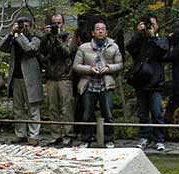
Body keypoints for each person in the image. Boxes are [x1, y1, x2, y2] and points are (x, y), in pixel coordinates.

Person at [73, 19, 123, 148]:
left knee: (108, 113)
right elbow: (76, 66)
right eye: (97, 29)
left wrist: (109, 68)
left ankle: (109, 139)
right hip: (88, 83)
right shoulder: (84, 47)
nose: (100, 31)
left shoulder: (114, 46)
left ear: (106, 32)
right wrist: (89, 69)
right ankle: (86, 139)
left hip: (106, 83)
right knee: (87, 113)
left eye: (103, 29)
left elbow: (120, 64)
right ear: (93, 33)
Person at [127, 15, 169, 151]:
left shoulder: (161, 39)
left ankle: (159, 139)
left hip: (155, 82)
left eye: (152, 24)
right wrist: (138, 34)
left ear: (157, 25)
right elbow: (130, 48)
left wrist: (152, 37)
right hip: (141, 81)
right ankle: (144, 137)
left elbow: (162, 51)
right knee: (143, 113)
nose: (150, 26)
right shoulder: (140, 41)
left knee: (157, 112)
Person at [0, 16, 43, 144]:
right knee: (18, 108)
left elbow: (29, 48)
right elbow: (2, 47)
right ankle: (20, 133)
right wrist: (11, 34)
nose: (24, 28)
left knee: (32, 108)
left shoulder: (36, 38)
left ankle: (33, 136)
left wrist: (20, 36)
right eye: (21, 25)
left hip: (30, 79)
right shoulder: (15, 37)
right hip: (16, 77)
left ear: (30, 26)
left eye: (26, 25)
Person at [40, 13, 76, 145]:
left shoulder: (69, 36)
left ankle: (68, 133)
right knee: (52, 107)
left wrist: (57, 38)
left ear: (63, 23)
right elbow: (41, 52)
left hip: (64, 76)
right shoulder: (47, 37)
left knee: (66, 107)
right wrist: (47, 37)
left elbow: (67, 52)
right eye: (54, 23)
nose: (56, 25)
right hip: (51, 76)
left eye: (59, 23)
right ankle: (55, 134)